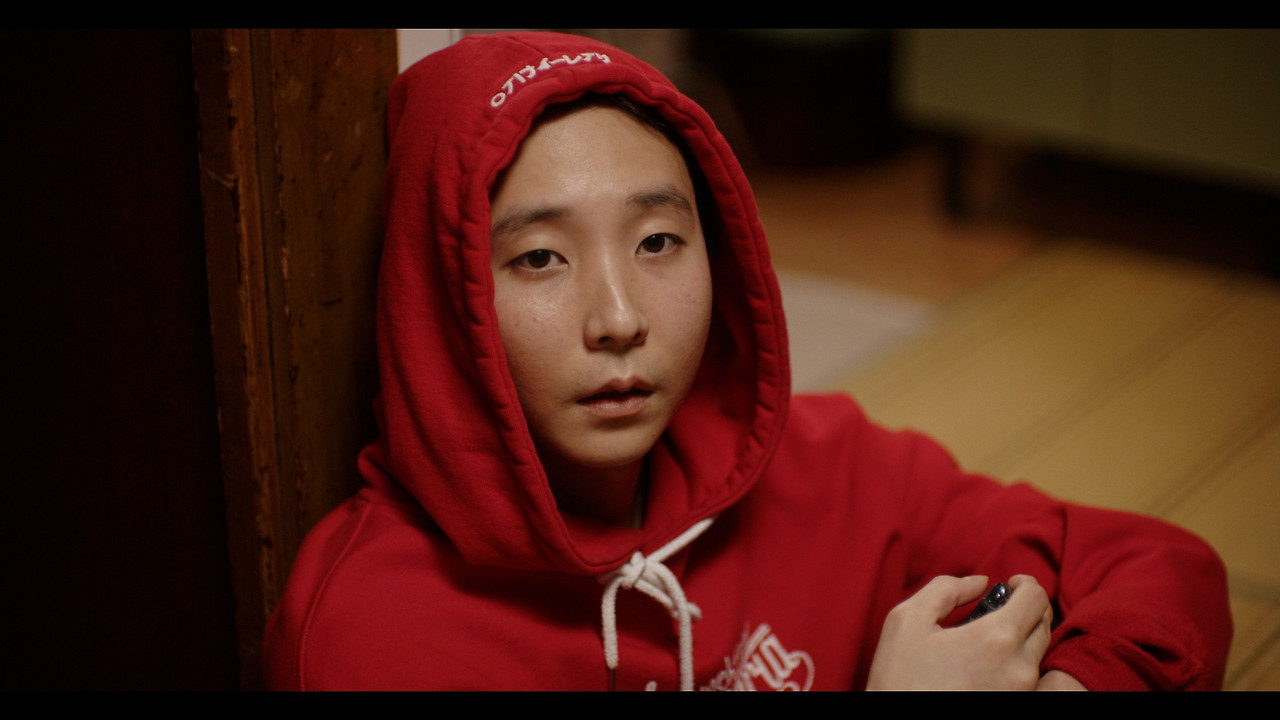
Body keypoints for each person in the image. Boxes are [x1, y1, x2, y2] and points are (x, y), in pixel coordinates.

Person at [261, 31, 1232, 691]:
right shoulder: (371, 637)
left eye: (657, 243)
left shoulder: (820, 467)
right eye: (540, 258)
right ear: (441, 298)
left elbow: (1159, 569)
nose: (619, 319)